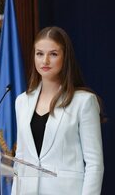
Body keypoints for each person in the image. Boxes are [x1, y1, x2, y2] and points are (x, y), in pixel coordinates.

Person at [12, 26, 104, 195]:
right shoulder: (21, 101)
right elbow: (21, 159)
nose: (45, 61)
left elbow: (95, 163)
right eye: (39, 53)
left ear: (65, 57)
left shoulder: (83, 102)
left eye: (53, 54)